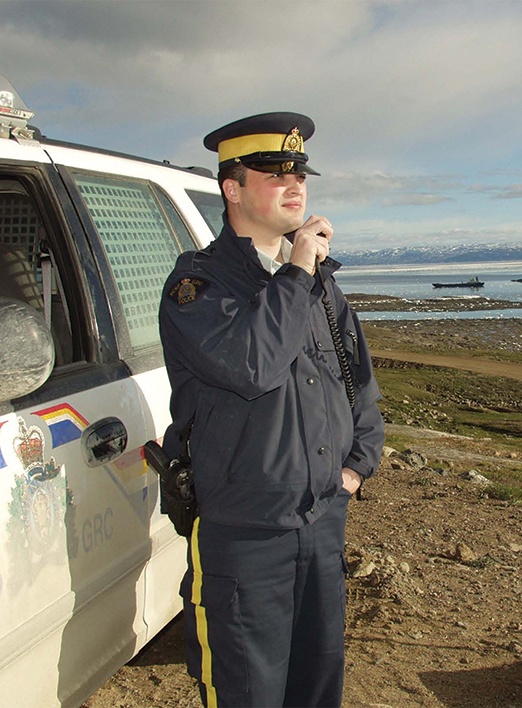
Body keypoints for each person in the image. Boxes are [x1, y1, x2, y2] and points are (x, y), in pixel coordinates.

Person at [158, 112, 385, 708]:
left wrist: (357, 469)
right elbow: (252, 365)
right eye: (273, 174)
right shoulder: (199, 286)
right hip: (245, 532)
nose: (295, 186)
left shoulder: (318, 284)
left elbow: (357, 381)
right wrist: (296, 271)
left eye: (300, 174)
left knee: (316, 685)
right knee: (246, 691)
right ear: (232, 188)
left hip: (321, 520)